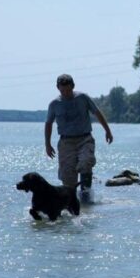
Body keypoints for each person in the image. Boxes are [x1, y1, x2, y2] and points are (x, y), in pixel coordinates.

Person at [45, 74, 113, 202]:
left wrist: (107, 131)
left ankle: (86, 195)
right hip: (66, 142)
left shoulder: (82, 98)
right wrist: (47, 144)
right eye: (62, 90)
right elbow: (48, 123)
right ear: (58, 88)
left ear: (73, 86)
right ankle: (72, 204)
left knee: (86, 162)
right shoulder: (54, 104)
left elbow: (97, 113)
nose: (66, 93)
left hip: (85, 139)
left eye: (68, 90)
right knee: (68, 178)